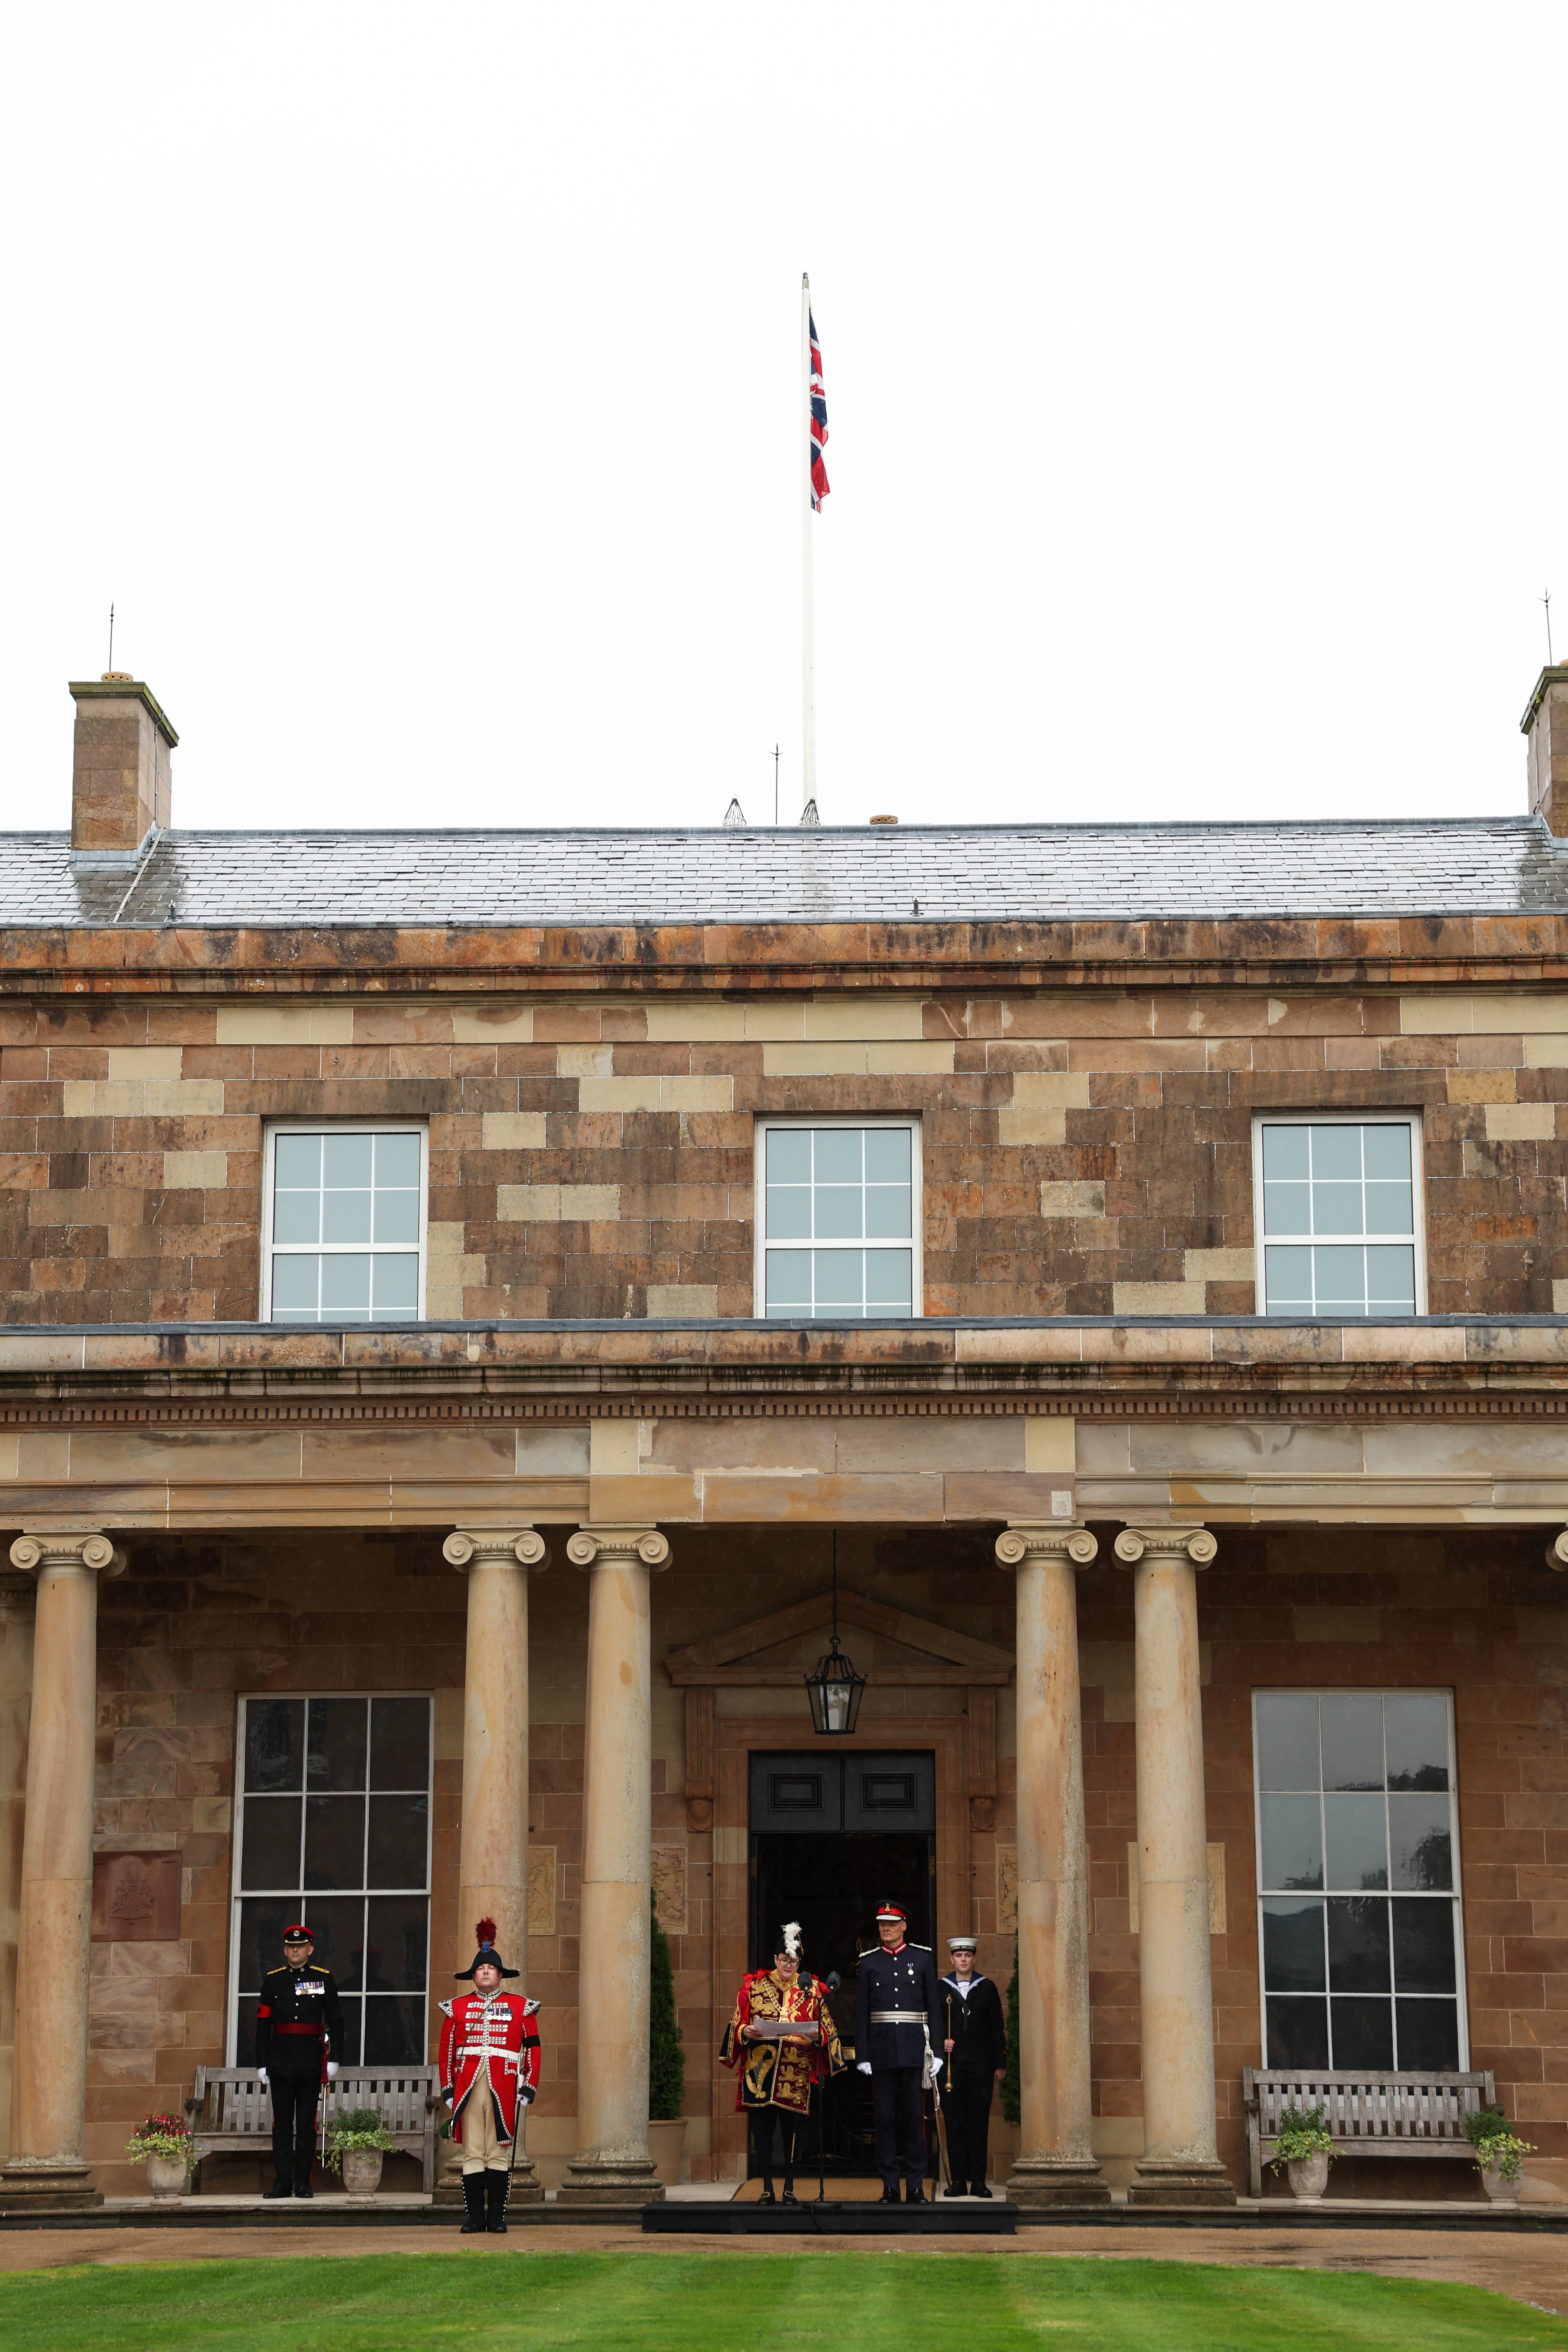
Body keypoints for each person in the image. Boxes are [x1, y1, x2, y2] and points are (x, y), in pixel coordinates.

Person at [720, 1921, 844, 2204]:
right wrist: (745, 2032)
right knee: (763, 2136)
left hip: (796, 2074)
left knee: (794, 2137)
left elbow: (829, 2029)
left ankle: (789, 2188)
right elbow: (736, 2024)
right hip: (760, 2072)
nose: (790, 1965)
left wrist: (818, 2036)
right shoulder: (754, 1987)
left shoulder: (812, 1988)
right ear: (775, 1959)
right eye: (785, 1960)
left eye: (795, 1960)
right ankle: (766, 2188)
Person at [437, 1917, 543, 2234]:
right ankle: (474, 2217)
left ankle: (496, 2215)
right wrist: (448, 2090)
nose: (485, 1972)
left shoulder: (521, 2006)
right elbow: (445, 2051)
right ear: (473, 1975)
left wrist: (530, 2086)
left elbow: (534, 2049)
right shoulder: (456, 2008)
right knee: (472, 2152)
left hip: (505, 2085)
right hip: (469, 2087)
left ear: (500, 1975)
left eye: (491, 1969)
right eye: (480, 1969)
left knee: (498, 2152)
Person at [853, 1898, 944, 2204]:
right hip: (881, 2053)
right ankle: (890, 2186)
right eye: (882, 1924)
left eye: (891, 1924)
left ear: (904, 1926)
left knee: (915, 2120)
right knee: (886, 2121)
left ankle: (916, 2185)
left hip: (915, 2050)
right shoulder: (869, 1962)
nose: (886, 1928)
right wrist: (863, 2054)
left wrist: (939, 2053)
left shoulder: (922, 1960)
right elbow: (862, 2012)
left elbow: (934, 2008)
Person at [254, 1922, 345, 2199]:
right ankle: (282, 2182)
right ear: (285, 1950)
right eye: (291, 1946)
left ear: (310, 1949)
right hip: (280, 2061)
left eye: (301, 1946)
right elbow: (262, 2024)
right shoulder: (273, 1980)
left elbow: (337, 2021)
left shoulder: (323, 1979)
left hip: (309, 2060)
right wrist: (261, 2062)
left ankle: (304, 2183)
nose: (296, 1950)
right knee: (282, 2125)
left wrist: (335, 2059)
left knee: (307, 2125)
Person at [938, 1935, 1007, 2197]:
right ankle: (958, 2182)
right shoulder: (940, 1988)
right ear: (952, 1959)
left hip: (981, 2065)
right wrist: (939, 2044)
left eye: (968, 1956)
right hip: (951, 2067)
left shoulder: (987, 1987)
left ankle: (978, 2181)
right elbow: (933, 2023)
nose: (964, 1960)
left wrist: (999, 2064)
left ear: (974, 1958)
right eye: (959, 1956)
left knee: (978, 2123)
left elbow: (997, 2028)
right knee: (955, 2123)